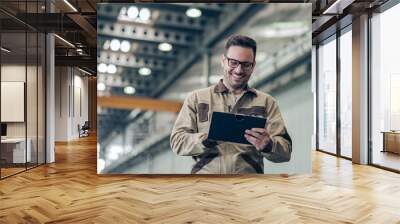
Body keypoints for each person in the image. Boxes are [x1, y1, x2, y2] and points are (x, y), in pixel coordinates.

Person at [170, 35, 292, 174]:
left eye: (246, 64)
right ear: (223, 61)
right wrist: (206, 139)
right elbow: (177, 142)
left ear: (253, 66)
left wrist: (269, 145)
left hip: (247, 188)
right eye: (233, 62)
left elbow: (286, 151)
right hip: (206, 188)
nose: (239, 70)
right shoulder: (197, 99)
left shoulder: (266, 102)